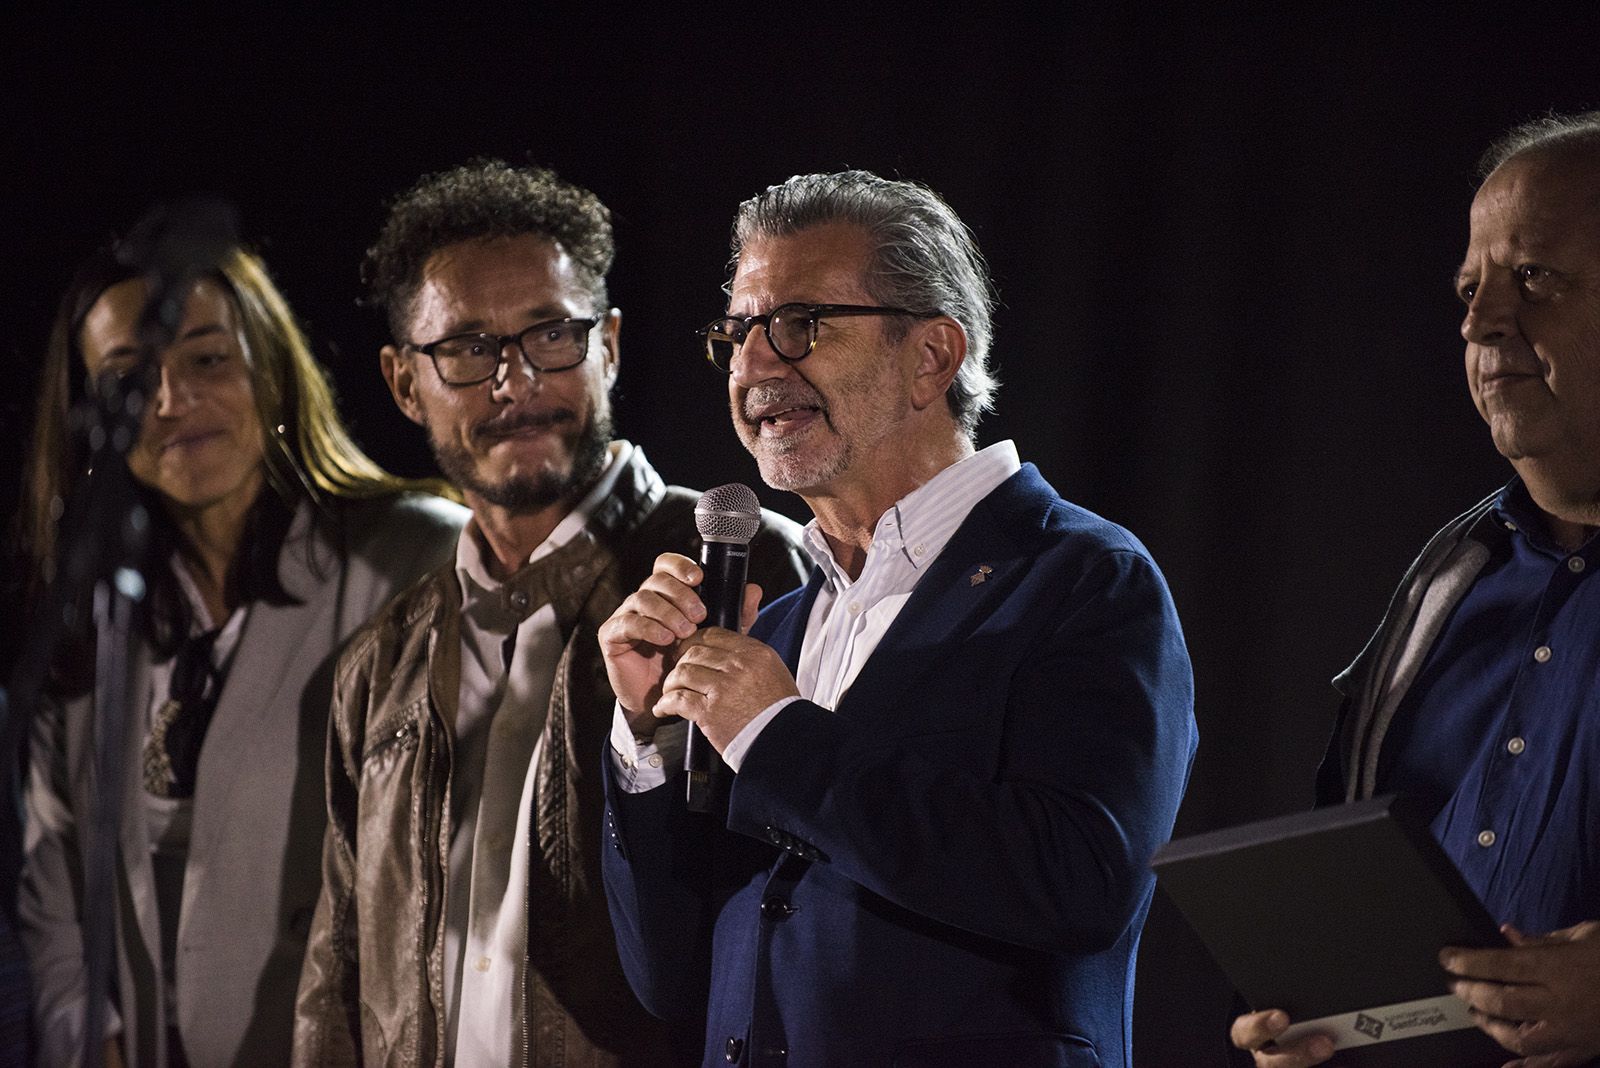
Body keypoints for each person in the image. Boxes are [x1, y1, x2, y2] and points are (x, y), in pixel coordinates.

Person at [598, 171, 1198, 1067]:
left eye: (798, 325)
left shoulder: (1084, 579)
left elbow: (1083, 882)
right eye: (738, 333)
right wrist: (646, 747)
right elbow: (672, 978)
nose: (756, 366)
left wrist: (777, 735)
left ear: (933, 356)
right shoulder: (779, 628)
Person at [291, 160, 807, 1068]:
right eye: (465, 349)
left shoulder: (755, 561)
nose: (512, 381)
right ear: (405, 383)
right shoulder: (378, 662)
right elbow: (336, 977)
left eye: (550, 336)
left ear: (607, 343)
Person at [15, 227, 467, 1068]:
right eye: (128, 379)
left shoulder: (414, 556)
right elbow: (53, 883)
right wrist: (93, 1037)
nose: (169, 400)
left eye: (207, 361)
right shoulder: (93, 608)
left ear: (270, 364)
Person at [1231, 113, 1600, 1066]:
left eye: (1535, 279)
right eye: (1471, 289)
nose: (1481, 323)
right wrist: (1324, 1014)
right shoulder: (1449, 579)